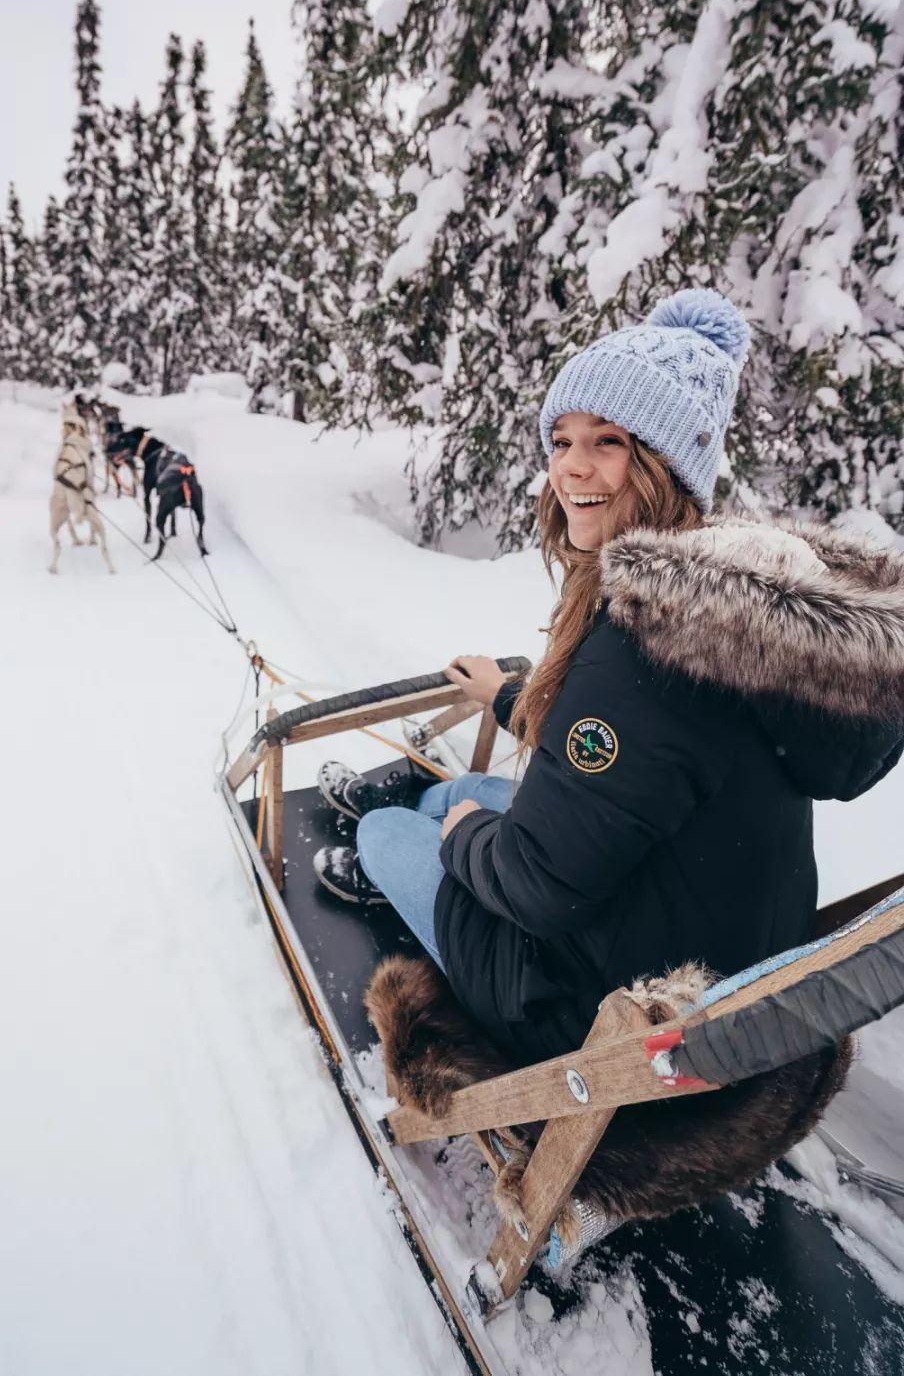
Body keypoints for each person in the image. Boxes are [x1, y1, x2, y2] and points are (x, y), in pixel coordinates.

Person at [313, 289, 904, 1065]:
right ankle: (428, 813)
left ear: (664, 462)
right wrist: (505, 696)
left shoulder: (646, 645)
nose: (571, 468)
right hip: (725, 966)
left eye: (608, 441)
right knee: (463, 794)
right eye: (560, 440)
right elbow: (645, 756)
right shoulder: (734, 616)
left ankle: (390, 846)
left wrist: (456, 843)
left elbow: (538, 887)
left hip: (608, 1017)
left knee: (404, 830)